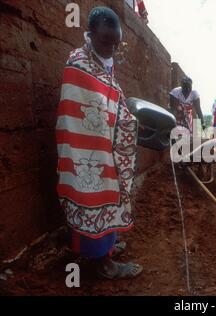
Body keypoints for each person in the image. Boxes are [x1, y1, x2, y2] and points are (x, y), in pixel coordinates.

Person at [55, 7, 142, 279]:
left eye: (115, 44)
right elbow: (86, 108)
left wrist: (126, 120)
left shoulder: (104, 60)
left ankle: (108, 245)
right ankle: (101, 265)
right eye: (105, 42)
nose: (111, 49)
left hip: (106, 148)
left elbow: (109, 101)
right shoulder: (78, 63)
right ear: (90, 35)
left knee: (109, 197)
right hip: (86, 153)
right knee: (93, 198)